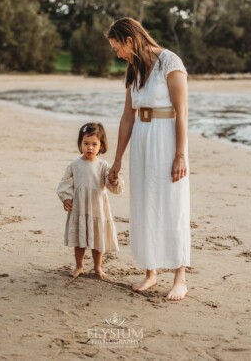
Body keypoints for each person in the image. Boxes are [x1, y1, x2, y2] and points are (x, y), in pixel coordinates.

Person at [106, 17, 190, 300]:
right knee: (144, 203)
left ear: (130, 40)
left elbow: (182, 113)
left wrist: (180, 155)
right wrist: (117, 159)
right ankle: (151, 272)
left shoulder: (170, 62)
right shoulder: (133, 69)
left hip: (166, 139)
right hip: (142, 140)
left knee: (172, 202)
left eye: (118, 47)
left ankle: (180, 276)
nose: (117, 53)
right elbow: (128, 116)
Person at [57, 122, 123, 279]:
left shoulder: (103, 166)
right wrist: (66, 198)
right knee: (79, 240)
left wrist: (114, 181)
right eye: (86, 143)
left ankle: (98, 267)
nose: (90, 148)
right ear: (80, 143)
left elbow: (111, 184)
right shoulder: (75, 165)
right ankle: (79, 266)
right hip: (79, 208)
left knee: (97, 239)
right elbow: (65, 182)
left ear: (101, 145)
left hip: (97, 209)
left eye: (94, 144)